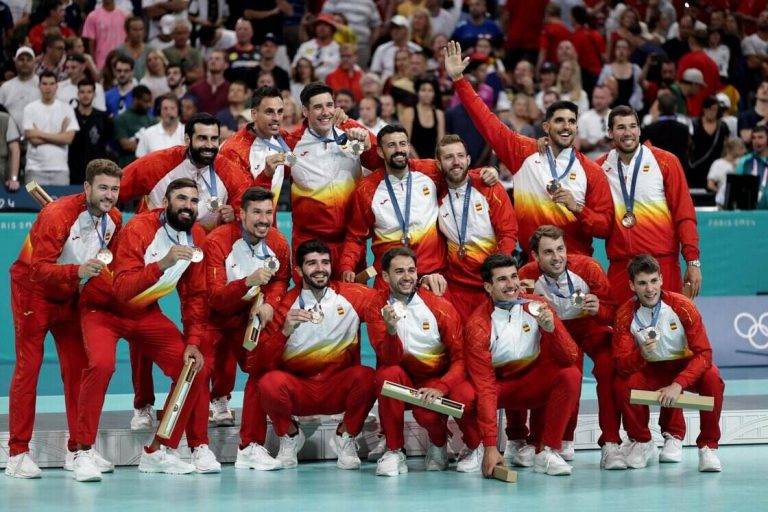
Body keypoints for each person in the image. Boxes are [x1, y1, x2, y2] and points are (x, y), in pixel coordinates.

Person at [4, 160, 122, 479]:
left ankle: (78, 449)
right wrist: (78, 271)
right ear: (86, 188)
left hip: (70, 292)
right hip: (33, 292)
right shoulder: (57, 215)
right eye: (103, 187)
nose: (109, 195)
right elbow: (38, 270)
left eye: (114, 189)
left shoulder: (115, 219)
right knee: (29, 367)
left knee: (79, 369)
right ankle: (17, 454)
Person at [444, 40, 613, 257]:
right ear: (546, 126)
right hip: (531, 266)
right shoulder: (524, 153)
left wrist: (578, 208)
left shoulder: (592, 172)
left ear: (576, 127)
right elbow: (488, 122)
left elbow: (605, 227)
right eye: (559, 121)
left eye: (571, 122)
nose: (566, 126)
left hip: (577, 265)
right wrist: (459, 81)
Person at [106, 177, 217, 475]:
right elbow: (122, 288)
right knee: (98, 366)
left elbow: (195, 296)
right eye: (181, 199)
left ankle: (160, 449)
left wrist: (193, 341)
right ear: (166, 203)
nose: (188, 206)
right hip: (107, 310)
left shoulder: (197, 237)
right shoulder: (139, 228)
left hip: (145, 312)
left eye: (194, 201)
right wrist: (162, 264)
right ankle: (80, 449)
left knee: (195, 367)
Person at [251, 239, 377, 470]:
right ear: (299, 271)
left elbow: (388, 300)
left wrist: (421, 280)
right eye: (311, 263)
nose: (320, 269)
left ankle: (345, 437)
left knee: (368, 377)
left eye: (325, 262)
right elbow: (260, 364)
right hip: (300, 391)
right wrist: (284, 332)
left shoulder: (353, 296)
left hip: (337, 387)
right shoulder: (283, 305)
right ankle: (289, 436)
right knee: (267, 382)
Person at [450, 254, 581, 476]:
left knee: (571, 375)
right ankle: (478, 447)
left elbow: (570, 356)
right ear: (488, 287)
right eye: (502, 280)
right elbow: (485, 386)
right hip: (498, 389)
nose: (511, 285)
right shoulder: (478, 325)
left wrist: (553, 331)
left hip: (531, 385)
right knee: (461, 395)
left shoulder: (538, 306)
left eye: (513, 277)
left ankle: (547, 451)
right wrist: (492, 445)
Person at [515, 226, 624, 470]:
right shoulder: (526, 275)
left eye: (561, 249)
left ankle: (611, 444)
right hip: (556, 332)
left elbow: (615, 313)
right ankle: (547, 441)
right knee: (558, 370)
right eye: (549, 252)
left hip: (590, 327)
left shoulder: (588, 268)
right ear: (535, 256)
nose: (557, 257)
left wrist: (600, 310)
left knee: (608, 367)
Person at [613, 254, 724, 472]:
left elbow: (704, 353)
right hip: (650, 369)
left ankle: (708, 447)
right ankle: (642, 441)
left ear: (661, 279)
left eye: (654, 281)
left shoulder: (683, 306)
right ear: (632, 285)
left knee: (712, 377)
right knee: (621, 383)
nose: (649, 289)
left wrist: (679, 384)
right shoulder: (624, 315)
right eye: (642, 283)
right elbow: (621, 364)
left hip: (683, 367)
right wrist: (640, 355)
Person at [204, 186, 289, 464]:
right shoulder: (217, 241)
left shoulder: (277, 241)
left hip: (248, 315)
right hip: (213, 318)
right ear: (241, 214)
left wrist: (270, 304)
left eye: (268, 212)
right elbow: (215, 298)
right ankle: (192, 446)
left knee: (261, 367)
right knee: (197, 371)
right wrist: (248, 282)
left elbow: (280, 279)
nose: (264, 219)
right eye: (257, 213)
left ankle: (250, 446)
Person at [368, 247, 471, 476]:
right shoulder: (376, 306)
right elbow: (388, 359)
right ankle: (394, 451)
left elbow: (460, 357)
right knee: (386, 375)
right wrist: (391, 330)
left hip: (435, 378)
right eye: (399, 271)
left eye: (411, 270)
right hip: (404, 378)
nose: (407, 277)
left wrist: (442, 387)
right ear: (385, 277)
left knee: (428, 413)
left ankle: (438, 444)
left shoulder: (439, 306)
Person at [121, 113, 250, 233]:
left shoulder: (228, 171)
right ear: (187, 140)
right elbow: (115, 186)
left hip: (202, 247)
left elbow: (250, 210)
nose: (209, 145)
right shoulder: (159, 163)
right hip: (154, 240)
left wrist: (235, 216)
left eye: (214, 139)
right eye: (202, 138)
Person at [434, 134, 517, 317]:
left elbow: (508, 234)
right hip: (456, 288)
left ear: (468, 159)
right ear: (438, 164)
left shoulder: (489, 187)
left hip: (489, 285)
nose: (456, 162)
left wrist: (497, 274)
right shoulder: (434, 193)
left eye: (461, 156)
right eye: (449, 157)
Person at [22, 70, 79, 186]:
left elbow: (68, 139)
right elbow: (32, 138)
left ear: (57, 86)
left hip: (60, 169)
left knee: (61, 205)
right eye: (44, 84)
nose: (48, 87)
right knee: (32, 204)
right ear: (39, 86)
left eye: (52, 84)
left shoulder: (67, 108)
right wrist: (60, 135)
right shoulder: (30, 108)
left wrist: (38, 132)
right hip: (34, 169)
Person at [69, 79, 113, 185]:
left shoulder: (103, 118)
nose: (86, 95)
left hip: (96, 171)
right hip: (73, 170)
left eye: (89, 92)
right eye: (82, 92)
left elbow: (107, 144)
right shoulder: (70, 115)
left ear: (94, 94)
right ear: (78, 94)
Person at [690, 96, 730, 189]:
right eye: (709, 109)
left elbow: (726, 146)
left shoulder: (723, 127)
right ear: (704, 109)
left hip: (715, 168)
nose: (711, 112)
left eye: (714, 109)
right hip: (696, 167)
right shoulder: (694, 124)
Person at [400, 77, 444, 159]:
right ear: (417, 92)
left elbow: (440, 143)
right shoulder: (409, 112)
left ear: (434, 94)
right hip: (413, 159)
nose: (427, 94)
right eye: (423, 90)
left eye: (430, 90)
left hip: (433, 161)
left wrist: (435, 162)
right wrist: (419, 162)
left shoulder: (439, 114)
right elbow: (405, 140)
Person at [370, 16, 422, 81]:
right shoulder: (382, 49)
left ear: (406, 30)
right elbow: (374, 72)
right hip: (387, 87)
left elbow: (422, 71)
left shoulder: (416, 49)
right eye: (392, 28)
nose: (395, 31)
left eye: (398, 28)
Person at [113, 85, 154, 167]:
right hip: (127, 165)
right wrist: (145, 141)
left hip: (147, 166)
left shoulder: (152, 120)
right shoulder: (121, 119)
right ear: (136, 100)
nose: (149, 105)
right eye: (145, 101)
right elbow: (126, 145)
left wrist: (136, 141)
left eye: (150, 101)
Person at [0, 47, 41, 130]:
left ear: (34, 63)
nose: (25, 62)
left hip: (38, 135)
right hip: (10, 137)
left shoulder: (44, 84)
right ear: (15, 62)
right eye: (21, 59)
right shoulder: (5, 87)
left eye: (28, 60)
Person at [292, 14, 340, 82]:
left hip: (328, 85)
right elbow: (294, 68)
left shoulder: (338, 48)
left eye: (326, 25)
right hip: (305, 85)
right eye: (319, 25)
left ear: (332, 29)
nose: (322, 28)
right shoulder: (305, 46)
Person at [81, 0, 126, 70]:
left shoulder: (124, 15)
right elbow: (91, 42)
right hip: (101, 62)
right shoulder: (92, 16)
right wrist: (94, 63)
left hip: (121, 60)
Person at [735, 125, 768, 209]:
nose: (756, 141)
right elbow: (737, 188)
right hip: (750, 214)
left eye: (760, 137)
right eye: (753, 138)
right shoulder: (744, 161)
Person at [707, 138, 746, 208]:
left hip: (741, 201)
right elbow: (710, 184)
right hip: (723, 202)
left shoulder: (742, 162)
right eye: (741, 148)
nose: (744, 150)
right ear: (731, 149)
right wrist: (723, 193)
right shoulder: (718, 163)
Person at [577, 85, 613, 160]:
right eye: (596, 97)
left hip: (614, 156)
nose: (598, 101)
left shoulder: (616, 116)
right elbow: (581, 144)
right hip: (591, 157)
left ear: (610, 99)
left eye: (602, 98)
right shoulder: (584, 118)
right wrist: (596, 144)